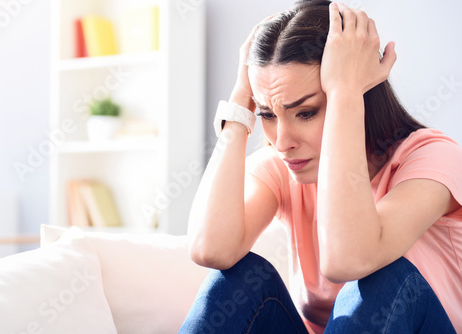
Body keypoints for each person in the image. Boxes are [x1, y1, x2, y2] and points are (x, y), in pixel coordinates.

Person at [180, 0, 462, 333]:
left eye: (306, 112)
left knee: (384, 276)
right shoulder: (284, 165)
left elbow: (349, 260)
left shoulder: (434, 158)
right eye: (267, 114)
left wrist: (345, 91)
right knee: (236, 281)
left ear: (361, 92)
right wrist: (241, 103)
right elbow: (210, 249)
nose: (282, 141)